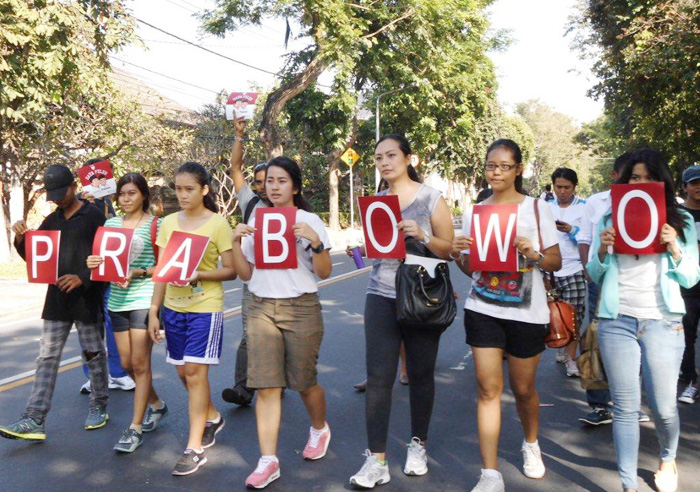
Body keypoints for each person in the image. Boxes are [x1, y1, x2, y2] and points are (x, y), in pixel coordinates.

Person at [451, 139, 562, 492]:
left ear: (518, 170)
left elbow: (555, 262)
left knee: (524, 388)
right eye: (490, 165)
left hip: (527, 313)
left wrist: (532, 253)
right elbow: (475, 271)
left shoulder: (536, 208)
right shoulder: (475, 212)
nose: (496, 172)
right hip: (482, 308)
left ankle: (531, 444)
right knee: (487, 389)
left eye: (504, 166)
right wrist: (459, 256)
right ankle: (489, 472)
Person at [588, 148, 699, 492]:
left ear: (661, 181)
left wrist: (676, 248)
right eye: (634, 177)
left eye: (649, 177)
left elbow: (691, 278)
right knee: (625, 407)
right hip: (617, 321)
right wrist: (604, 250)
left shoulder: (682, 221)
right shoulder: (609, 219)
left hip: (663, 323)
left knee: (664, 407)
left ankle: (667, 457)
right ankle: (627, 484)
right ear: (624, 181)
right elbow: (594, 272)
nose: (641, 183)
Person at [348, 135, 454, 489]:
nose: (384, 162)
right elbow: (381, 250)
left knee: (421, 374)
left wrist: (422, 234)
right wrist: (361, 250)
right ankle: (376, 459)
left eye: (392, 155)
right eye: (379, 157)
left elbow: (449, 250)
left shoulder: (430, 198)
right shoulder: (376, 202)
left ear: (410, 158)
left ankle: (417, 445)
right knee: (379, 378)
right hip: (380, 294)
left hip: (421, 296)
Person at [231, 156, 332, 489]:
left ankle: (319, 428)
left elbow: (324, 271)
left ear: (295, 186)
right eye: (269, 181)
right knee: (266, 386)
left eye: (281, 181)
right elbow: (246, 273)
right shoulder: (256, 218)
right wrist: (236, 242)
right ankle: (267, 460)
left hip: (301, 307)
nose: (273, 187)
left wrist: (314, 241)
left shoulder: (309, 219)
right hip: (261, 306)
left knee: (304, 382)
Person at [0, 164, 109, 441]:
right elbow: (36, 259)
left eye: (62, 192)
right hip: (57, 301)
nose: (58, 199)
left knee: (94, 355)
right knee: (46, 358)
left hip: (87, 299)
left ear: (74, 186)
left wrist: (82, 278)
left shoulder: (95, 216)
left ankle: (99, 405)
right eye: (54, 195)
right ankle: (34, 417)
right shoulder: (51, 220)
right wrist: (21, 237)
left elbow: (109, 260)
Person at [148, 162, 236, 476]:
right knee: (184, 374)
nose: (182, 195)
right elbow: (162, 272)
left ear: (204, 190)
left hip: (205, 308)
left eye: (188, 189)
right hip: (173, 308)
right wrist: (153, 311)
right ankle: (212, 416)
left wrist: (198, 274)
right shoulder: (168, 223)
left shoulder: (217, 224)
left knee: (197, 374)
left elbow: (231, 270)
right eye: (178, 189)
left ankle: (194, 447)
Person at [86, 173, 167, 453]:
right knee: (128, 364)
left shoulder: (156, 225)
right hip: (117, 301)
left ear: (143, 195)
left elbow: (165, 267)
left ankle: (134, 429)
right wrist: (93, 261)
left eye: (132, 193)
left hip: (144, 298)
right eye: (122, 194)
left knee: (141, 364)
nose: (126, 198)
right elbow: (101, 263)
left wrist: (138, 271)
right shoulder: (109, 224)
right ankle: (156, 404)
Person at [576, 153, 644, 426]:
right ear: (615, 176)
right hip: (602, 280)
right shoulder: (597, 203)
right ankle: (600, 405)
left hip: (639, 284)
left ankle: (629, 404)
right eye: (630, 176)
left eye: (642, 177)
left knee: (636, 342)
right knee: (598, 340)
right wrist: (590, 272)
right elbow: (583, 239)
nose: (636, 182)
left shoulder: (654, 204)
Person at [221, 116, 270, 407]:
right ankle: (242, 388)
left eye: (270, 181)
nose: (264, 187)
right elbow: (235, 168)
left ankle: (276, 377)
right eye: (259, 182)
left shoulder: (291, 208)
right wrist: (239, 135)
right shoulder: (250, 203)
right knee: (249, 336)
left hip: (282, 284)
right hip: (253, 282)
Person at [78, 158, 134, 394]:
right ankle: (92, 376)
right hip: (86, 274)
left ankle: (118, 373)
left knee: (113, 323)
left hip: (109, 272)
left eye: (103, 177)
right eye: (95, 178)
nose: (100, 182)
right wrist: (84, 206)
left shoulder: (112, 205)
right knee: (89, 325)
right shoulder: (78, 204)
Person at [352, 175, 411, 392]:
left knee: (403, 331)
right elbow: (376, 245)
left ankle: (405, 368)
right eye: (384, 186)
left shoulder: (415, 208)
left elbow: (434, 250)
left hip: (409, 283)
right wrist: (358, 251)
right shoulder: (377, 209)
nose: (388, 190)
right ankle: (374, 377)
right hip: (379, 285)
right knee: (376, 334)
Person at [548, 167, 587, 377]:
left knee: (575, 316)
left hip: (575, 268)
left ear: (574, 187)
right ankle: (561, 343)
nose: (562, 191)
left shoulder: (584, 207)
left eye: (566, 187)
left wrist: (572, 230)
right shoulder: (546, 207)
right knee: (554, 315)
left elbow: (589, 237)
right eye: (558, 187)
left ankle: (571, 359)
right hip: (551, 270)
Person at [678, 165, 700, 404]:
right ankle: (691, 380)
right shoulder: (676, 216)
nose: (698, 187)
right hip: (685, 288)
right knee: (687, 336)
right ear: (684, 187)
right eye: (694, 183)